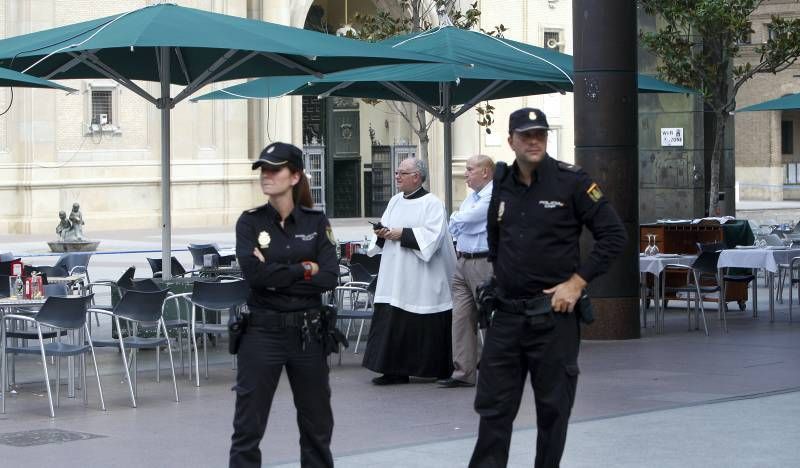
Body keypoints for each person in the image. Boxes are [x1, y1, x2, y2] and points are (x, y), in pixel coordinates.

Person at [469, 108, 627, 468]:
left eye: (540, 133)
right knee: (493, 411)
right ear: (511, 141)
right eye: (526, 135)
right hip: (506, 318)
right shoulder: (502, 184)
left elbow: (614, 235)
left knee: (553, 413)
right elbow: (496, 241)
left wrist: (577, 282)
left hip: (552, 319)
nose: (534, 140)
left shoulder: (571, 182)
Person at [230, 142, 339, 468]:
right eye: (263, 169)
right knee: (248, 427)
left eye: (274, 169)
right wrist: (305, 268)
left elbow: (330, 276)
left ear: (294, 176)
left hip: (308, 334)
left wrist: (278, 273)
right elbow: (255, 275)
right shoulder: (249, 223)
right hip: (262, 331)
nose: (266, 175)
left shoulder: (315, 222)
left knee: (317, 425)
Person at [363, 157, 457, 385]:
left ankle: (434, 368)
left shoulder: (432, 203)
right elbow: (385, 228)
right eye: (397, 172)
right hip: (394, 273)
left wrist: (401, 234)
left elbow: (433, 237)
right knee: (393, 319)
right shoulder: (395, 201)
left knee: (423, 319)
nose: (397, 176)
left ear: (417, 176)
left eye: (402, 173)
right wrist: (382, 233)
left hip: (421, 275)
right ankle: (394, 370)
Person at [438, 155, 495, 388]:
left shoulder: (493, 195)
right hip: (462, 261)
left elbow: (469, 219)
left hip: (484, 262)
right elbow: (459, 224)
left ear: (486, 172)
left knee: (490, 317)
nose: (466, 174)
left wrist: (459, 219)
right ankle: (463, 372)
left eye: (470, 169)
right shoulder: (472, 197)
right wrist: (460, 220)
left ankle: (498, 370)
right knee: (460, 317)